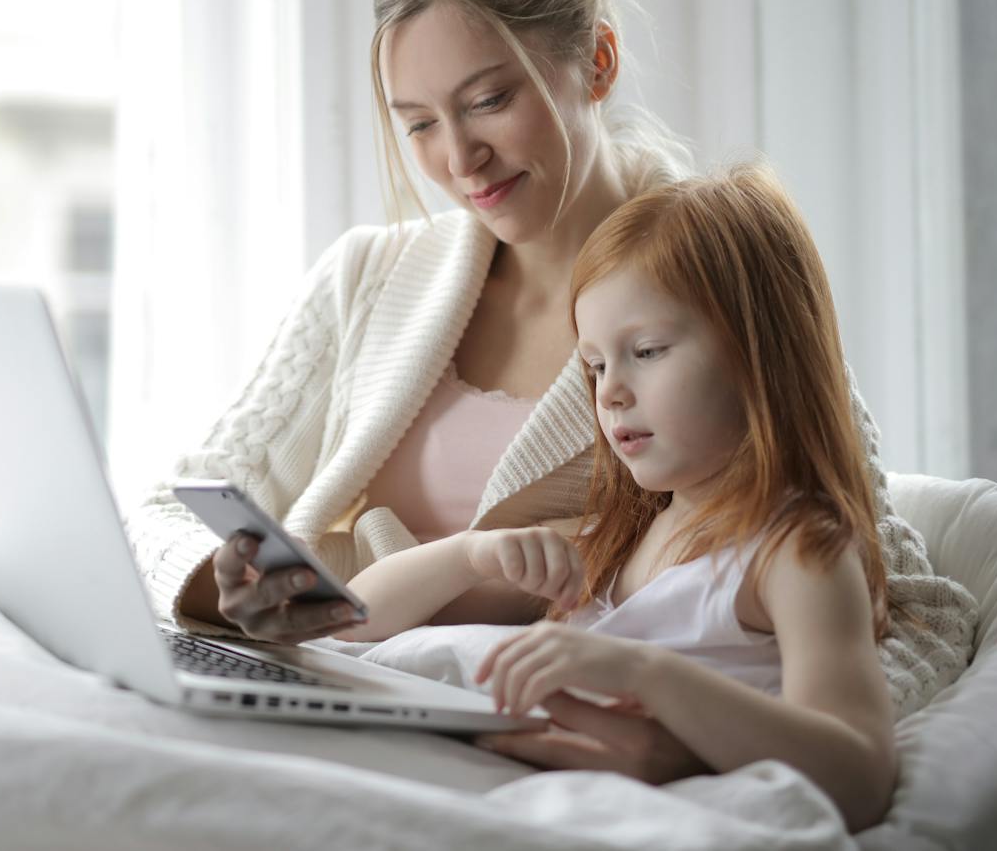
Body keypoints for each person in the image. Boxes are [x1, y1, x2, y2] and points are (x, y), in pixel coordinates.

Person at [124, 0, 975, 778]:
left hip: (516, 749)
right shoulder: (367, 277)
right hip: (330, 690)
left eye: (489, 100)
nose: (458, 159)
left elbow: (911, 609)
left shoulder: (716, 289)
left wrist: (697, 739)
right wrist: (227, 588)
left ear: (597, 61)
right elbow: (168, 512)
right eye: (418, 123)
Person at [340, 164, 897, 830]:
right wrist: (472, 553)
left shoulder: (796, 550)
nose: (610, 393)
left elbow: (860, 772)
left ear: (761, 352)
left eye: (648, 351)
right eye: (596, 365)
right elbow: (355, 620)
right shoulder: (618, 537)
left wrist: (645, 673)